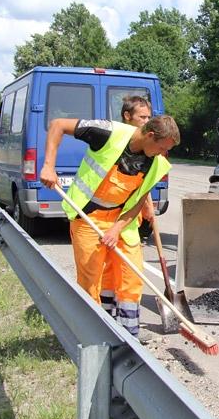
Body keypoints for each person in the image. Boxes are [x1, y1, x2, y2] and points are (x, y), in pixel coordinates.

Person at [40, 115, 179, 338]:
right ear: (150, 136)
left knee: (130, 275)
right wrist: (48, 166)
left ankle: (128, 334)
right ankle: (93, 335)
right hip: (88, 217)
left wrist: (116, 229)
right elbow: (58, 124)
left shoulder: (156, 162)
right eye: (161, 147)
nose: (163, 153)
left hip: (123, 222)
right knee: (91, 280)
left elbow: (137, 201)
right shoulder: (108, 133)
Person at [97, 95, 153, 318]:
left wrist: (147, 205)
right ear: (127, 116)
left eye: (149, 117)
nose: (146, 121)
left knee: (129, 271)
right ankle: (106, 317)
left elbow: (141, 182)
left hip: (128, 220)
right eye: (142, 117)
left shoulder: (146, 144)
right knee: (109, 271)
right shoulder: (115, 141)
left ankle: (127, 323)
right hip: (105, 216)